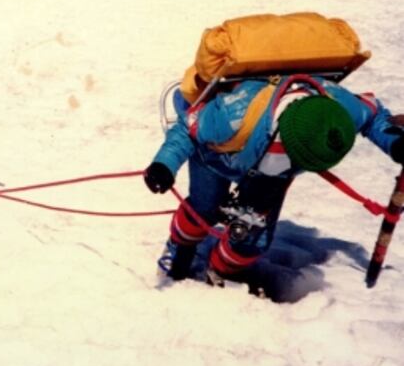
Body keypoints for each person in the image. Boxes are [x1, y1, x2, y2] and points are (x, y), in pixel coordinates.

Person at [144, 74, 404, 288]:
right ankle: (179, 249)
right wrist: (163, 165)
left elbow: (373, 115)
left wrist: (395, 143)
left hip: (272, 176)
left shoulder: (340, 109)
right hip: (215, 157)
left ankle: (221, 272)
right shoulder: (235, 111)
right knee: (204, 208)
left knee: (253, 238)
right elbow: (186, 130)